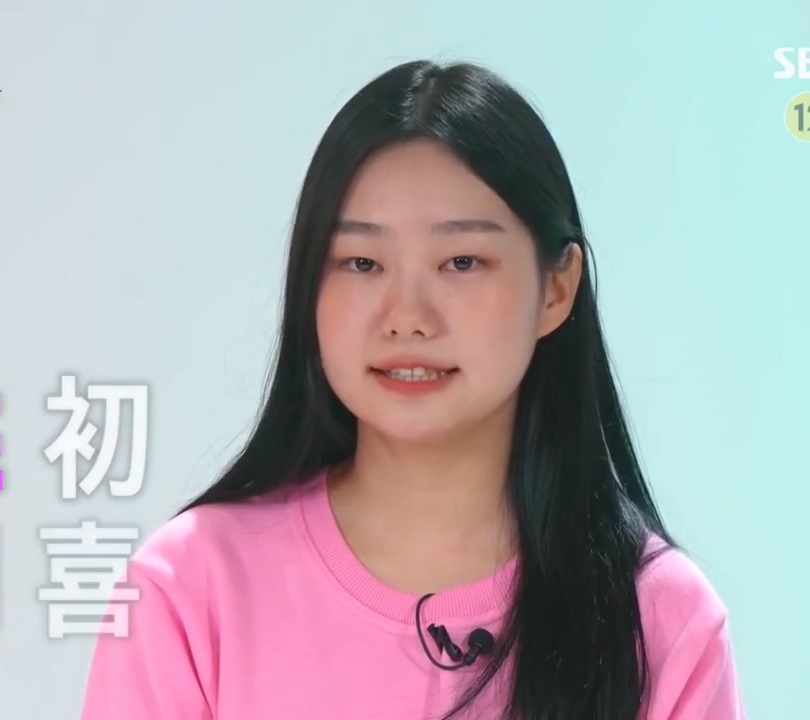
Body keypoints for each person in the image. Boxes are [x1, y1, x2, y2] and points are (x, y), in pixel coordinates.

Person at [79, 59, 744, 719]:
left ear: (556, 289)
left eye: (462, 262)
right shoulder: (190, 589)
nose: (407, 317)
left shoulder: (661, 620)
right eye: (362, 263)